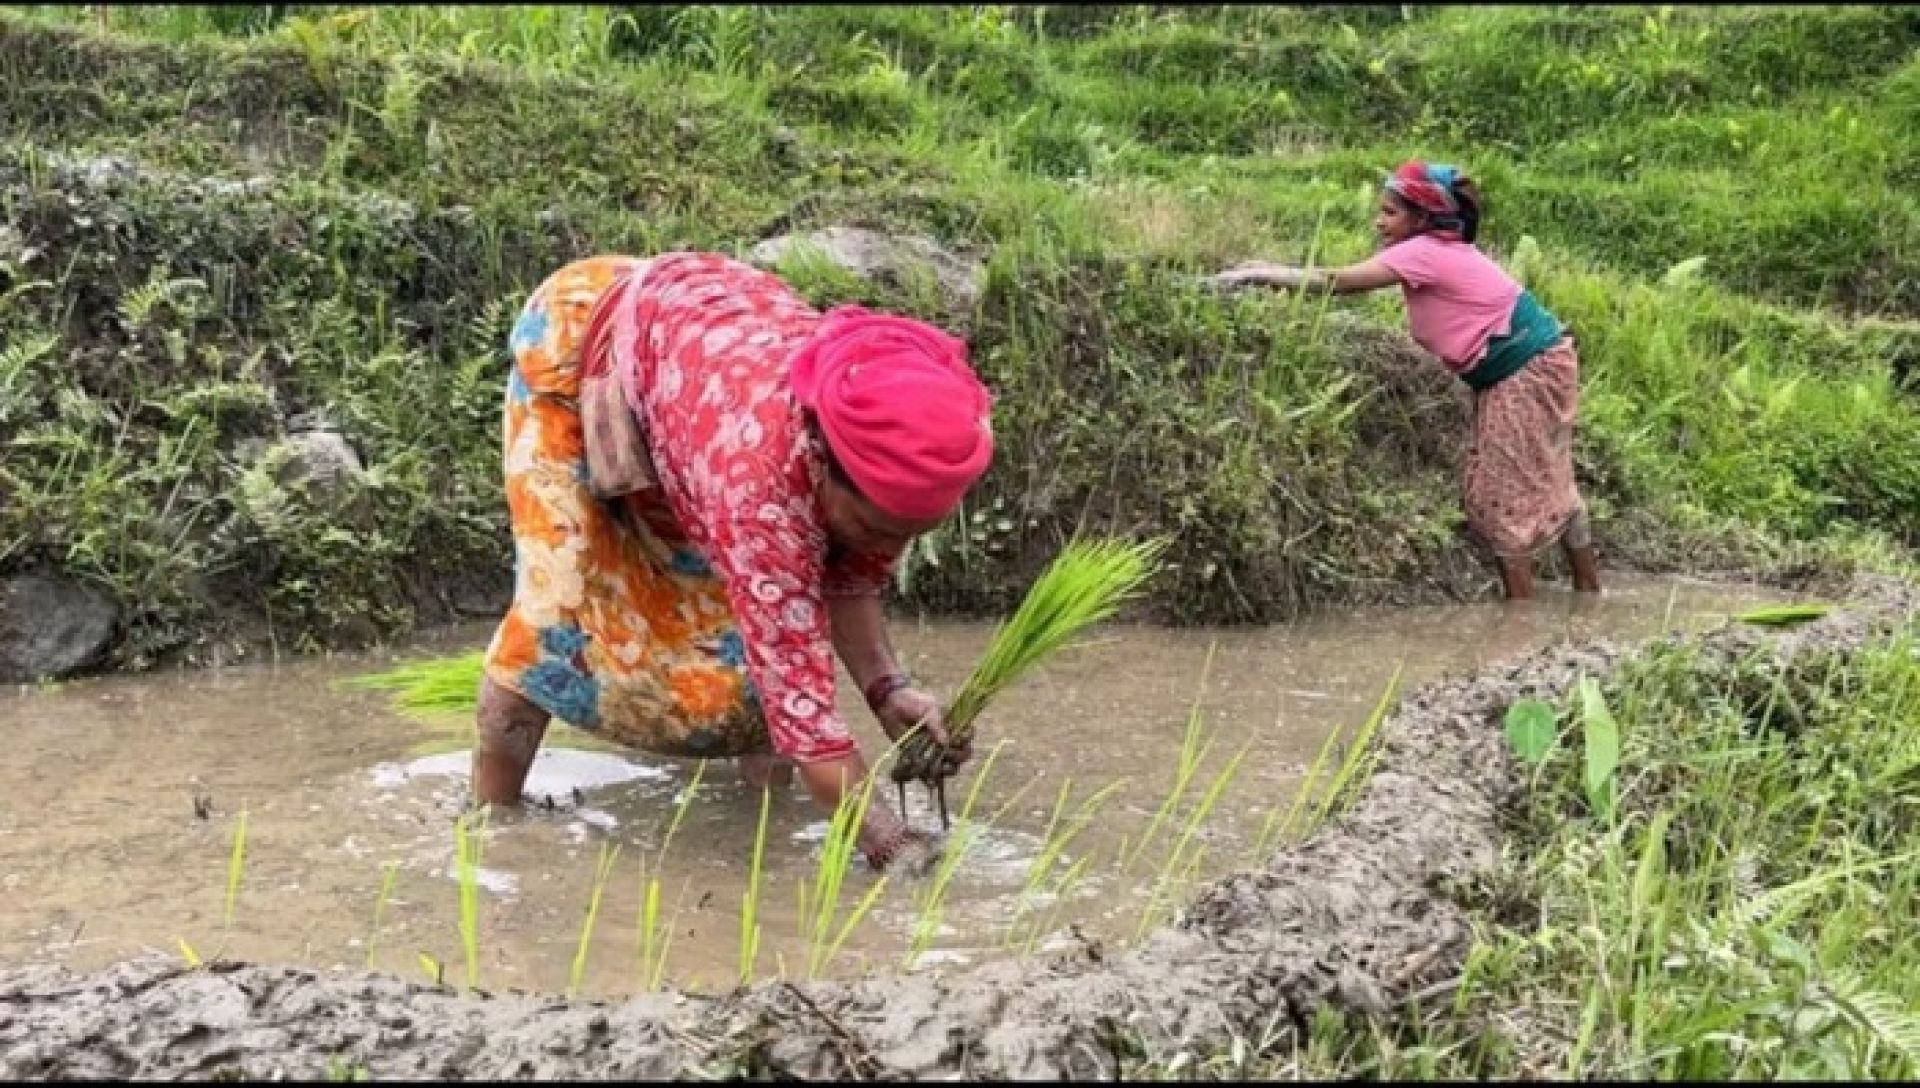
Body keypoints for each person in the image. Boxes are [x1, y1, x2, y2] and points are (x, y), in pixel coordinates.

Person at [472, 251, 991, 872]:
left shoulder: (884, 435)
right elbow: (806, 707)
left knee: (749, 666)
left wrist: (888, 690)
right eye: (877, 527)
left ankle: (755, 836)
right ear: (821, 466)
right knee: (555, 619)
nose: (886, 547)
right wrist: (888, 839)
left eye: (909, 533)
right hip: (582, 351)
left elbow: (847, 573)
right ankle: (487, 832)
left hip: (691, 381)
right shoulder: (759, 490)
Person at [1209, 161, 1602, 600]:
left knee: (1499, 494)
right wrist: (1264, 266)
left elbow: (1336, 282)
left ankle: (1520, 623)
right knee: (1549, 478)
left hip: (1524, 370)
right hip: (1542, 361)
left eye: (1390, 213)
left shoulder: (1423, 251)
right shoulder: (1440, 250)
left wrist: (1259, 276)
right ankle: (1588, 592)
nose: (1379, 221)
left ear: (1423, 219)